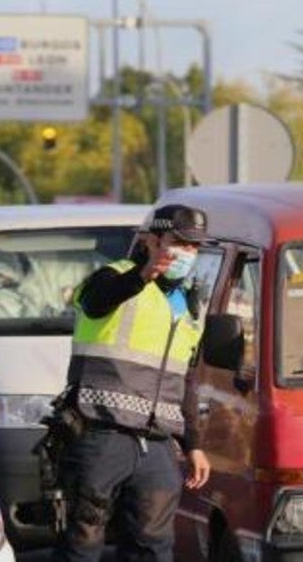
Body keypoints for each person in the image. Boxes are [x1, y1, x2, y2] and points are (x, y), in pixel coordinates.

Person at [52, 204, 213, 562]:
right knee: (82, 541)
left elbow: (185, 380)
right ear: (152, 239)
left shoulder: (189, 304)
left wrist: (193, 444)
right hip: (99, 434)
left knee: (153, 547)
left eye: (195, 247)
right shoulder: (113, 277)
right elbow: (95, 303)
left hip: (156, 445)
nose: (188, 253)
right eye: (180, 243)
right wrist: (142, 275)